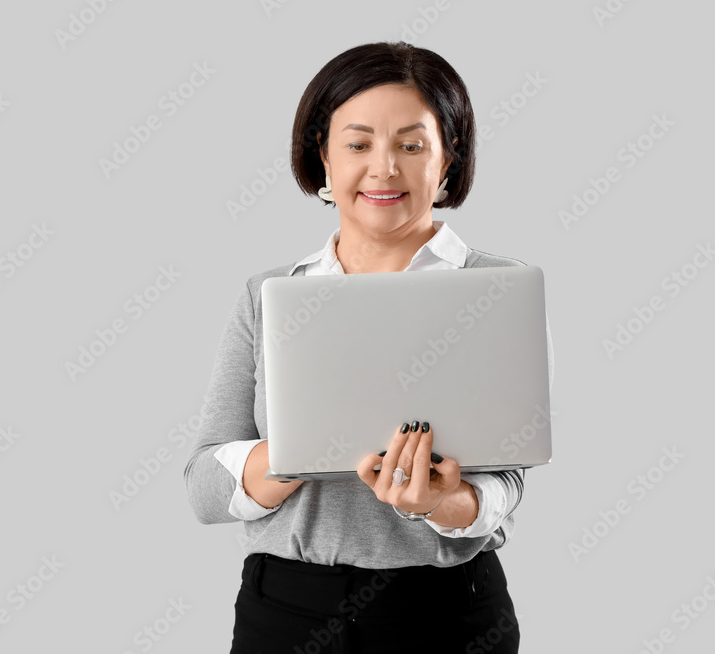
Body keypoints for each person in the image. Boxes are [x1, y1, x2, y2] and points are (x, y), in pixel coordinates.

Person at [183, 41, 553, 653]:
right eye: (358, 144)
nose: (384, 169)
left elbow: (510, 477)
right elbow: (204, 486)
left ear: (448, 158)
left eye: (411, 145)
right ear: (322, 158)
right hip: (284, 614)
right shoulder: (269, 297)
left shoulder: (497, 289)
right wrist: (302, 449)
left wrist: (444, 502)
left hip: (449, 615)